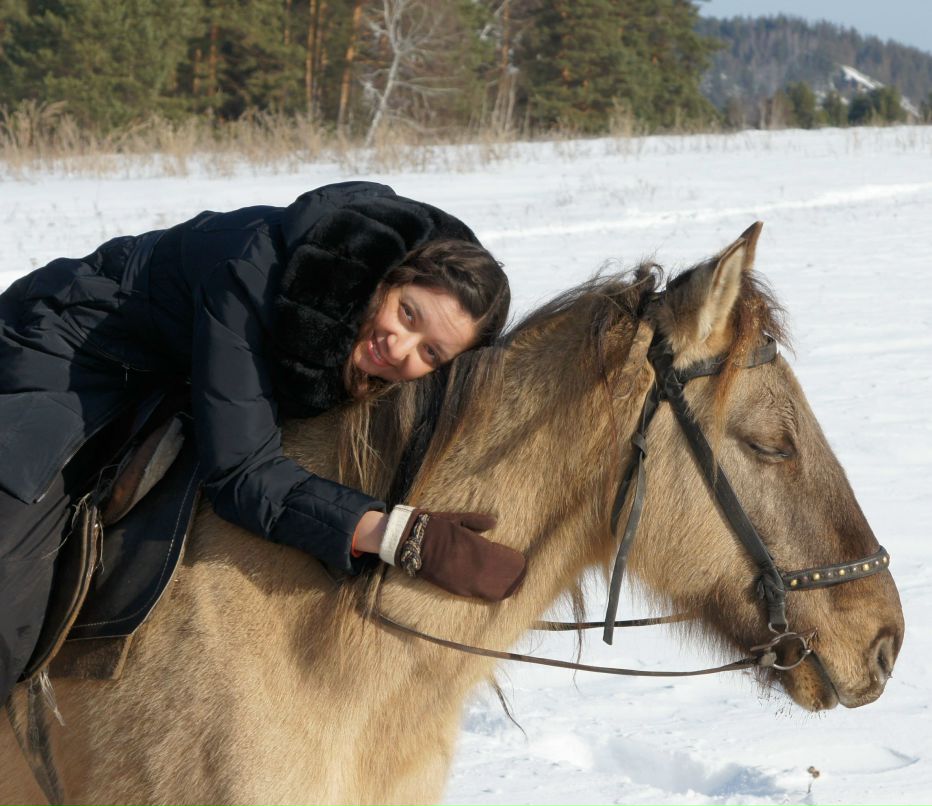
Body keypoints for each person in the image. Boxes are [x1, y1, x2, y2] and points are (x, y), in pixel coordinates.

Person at [0, 180, 526, 703]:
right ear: (389, 278)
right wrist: (397, 536)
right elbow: (242, 474)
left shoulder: (350, 323)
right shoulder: (255, 276)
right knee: (10, 564)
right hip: (70, 346)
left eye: (431, 354)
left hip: (173, 359)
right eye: (408, 313)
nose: (400, 347)